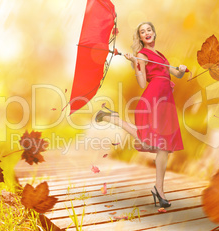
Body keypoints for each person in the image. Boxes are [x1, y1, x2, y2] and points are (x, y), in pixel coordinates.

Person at [95, 22, 186, 208]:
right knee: (153, 141)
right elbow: (143, 82)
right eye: (142, 31)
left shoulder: (160, 55)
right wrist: (135, 63)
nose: (147, 33)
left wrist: (182, 70)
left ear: (154, 32)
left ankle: (159, 190)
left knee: (164, 146)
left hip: (166, 101)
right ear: (140, 37)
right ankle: (111, 118)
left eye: (149, 30)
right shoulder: (142, 55)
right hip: (152, 99)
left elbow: (175, 74)